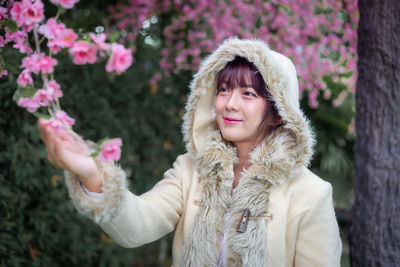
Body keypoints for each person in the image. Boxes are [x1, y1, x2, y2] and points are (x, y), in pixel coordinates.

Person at [39, 37, 342, 266]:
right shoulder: (190, 169)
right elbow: (137, 226)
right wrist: (93, 173)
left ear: (279, 112)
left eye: (247, 94)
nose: (229, 104)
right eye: (224, 90)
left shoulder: (311, 194)